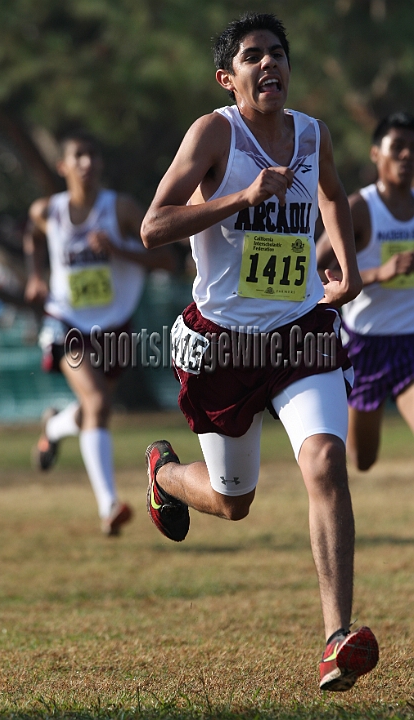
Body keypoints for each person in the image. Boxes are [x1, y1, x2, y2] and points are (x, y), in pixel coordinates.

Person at [140, 11, 378, 692]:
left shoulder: (311, 133)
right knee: (231, 500)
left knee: (326, 460)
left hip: (300, 330)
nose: (269, 64)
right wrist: (240, 196)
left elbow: (332, 193)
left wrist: (351, 270)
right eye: (252, 56)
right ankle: (162, 476)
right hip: (220, 344)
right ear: (228, 77)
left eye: (278, 54)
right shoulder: (215, 133)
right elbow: (153, 225)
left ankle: (337, 638)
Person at [24, 130, 174, 536]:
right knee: (97, 401)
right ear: (63, 166)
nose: (87, 163)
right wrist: (36, 277)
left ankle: (54, 427)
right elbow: (32, 236)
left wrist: (118, 249)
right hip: (65, 322)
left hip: (114, 325)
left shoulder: (120, 208)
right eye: (79, 156)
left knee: (96, 406)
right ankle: (109, 506)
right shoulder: (47, 211)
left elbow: (166, 260)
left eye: (93, 155)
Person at [316, 112, 414, 471]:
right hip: (365, 344)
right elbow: (314, 265)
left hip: (410, 341)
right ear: (376, 154)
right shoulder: (359, 208)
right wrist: (378, 273)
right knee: (362, 459)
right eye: (398, 147)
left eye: (413, 149)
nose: (407, 155)